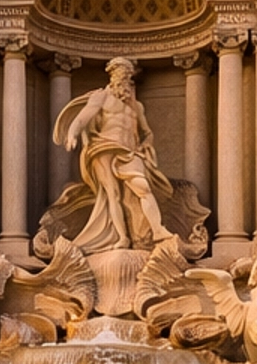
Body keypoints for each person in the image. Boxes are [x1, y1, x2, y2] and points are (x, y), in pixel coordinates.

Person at [58, 58, 174, 254]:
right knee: (113, 195)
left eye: (128, 79)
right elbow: (83, 117)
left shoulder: (136, 106)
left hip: (129, 152)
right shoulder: (101, 97)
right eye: (121, 78)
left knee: (143, 187)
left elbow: (147, 132)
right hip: (103, 147)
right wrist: (72, 134)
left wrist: (147, 143)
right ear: (112, 78)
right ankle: (122, 237)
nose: (125, 83)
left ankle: (157, 230)